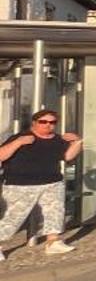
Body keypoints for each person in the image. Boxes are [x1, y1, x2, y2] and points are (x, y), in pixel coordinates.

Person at [0, 109, 80, 258]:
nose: (48, 125)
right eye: (43, 122)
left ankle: (53, 242)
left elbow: (68, 156)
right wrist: (18, 143)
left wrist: (77, 142)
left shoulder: (57, 140)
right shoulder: (21, 137)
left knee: (55, 212)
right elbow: (2, 155)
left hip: (52, 183)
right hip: (20, 184)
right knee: (12, 216)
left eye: (52, 122)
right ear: (34, 123)